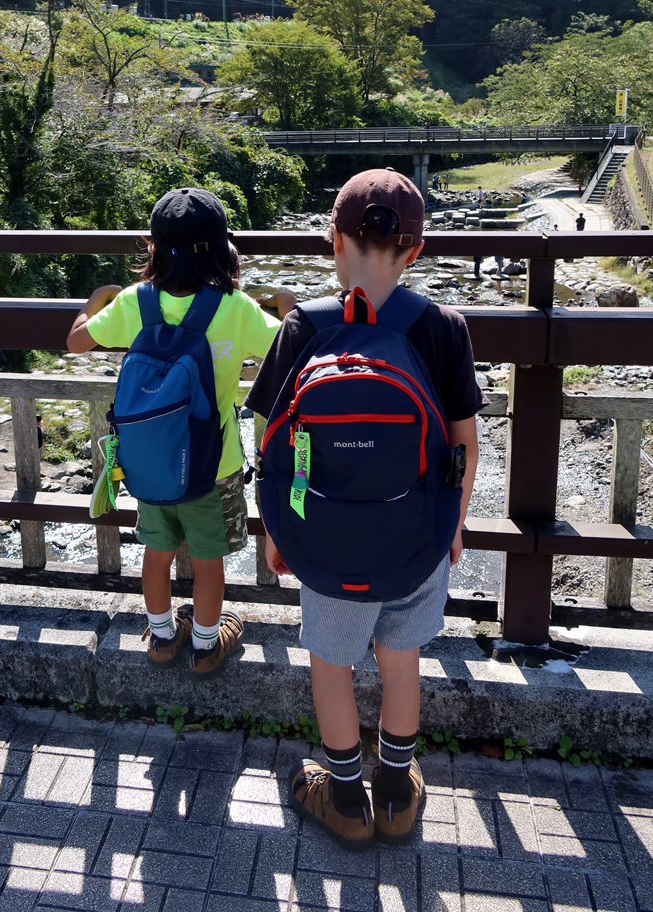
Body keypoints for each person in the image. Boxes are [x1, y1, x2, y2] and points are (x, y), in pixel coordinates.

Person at [246, 169, 483, 849]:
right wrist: (454, 526)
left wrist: (277, 532)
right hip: (416, 537)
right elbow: (464, 441)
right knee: (402, 656)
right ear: (416, 250)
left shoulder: (305, 325)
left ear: (333, 241)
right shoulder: (442, 327)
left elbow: (273, 441)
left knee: (331, 663)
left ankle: (345, 800)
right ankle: (399, 793)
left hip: (328, 540)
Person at [66, 188, 296, 676]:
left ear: (152, 247)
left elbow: (76, 340)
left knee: (157, 551)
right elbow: (294, 346)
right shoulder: (235, 307)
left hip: (151, 464)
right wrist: (287, 305)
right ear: (220, 248)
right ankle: (207, 646)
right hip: (217, 465)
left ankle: (163, 638)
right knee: (209, 562)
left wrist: (94, 301)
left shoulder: (133, 302)